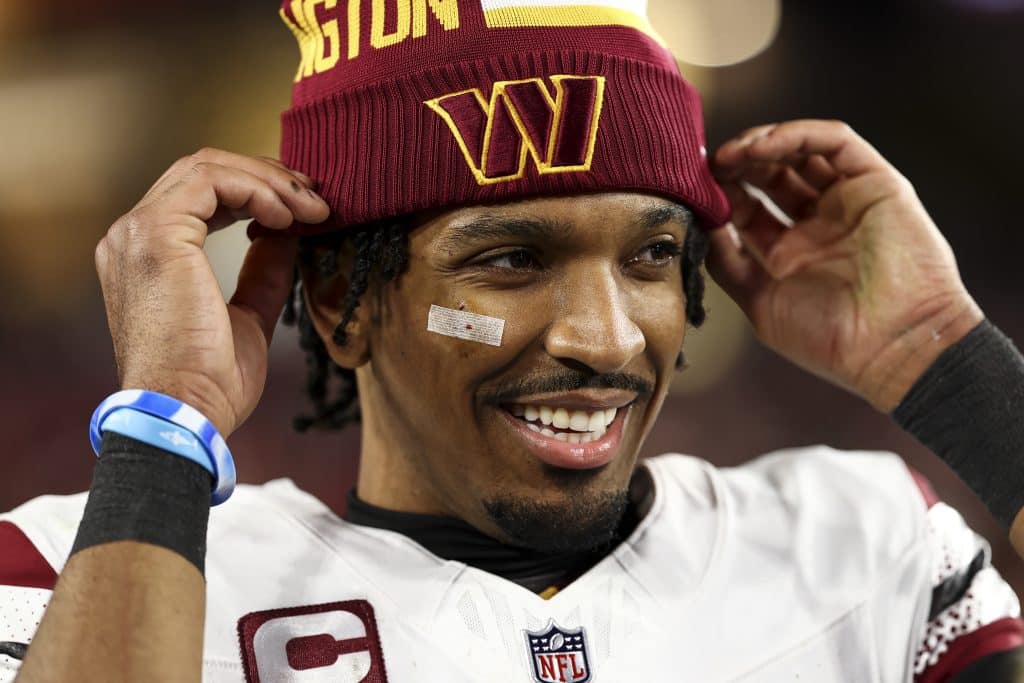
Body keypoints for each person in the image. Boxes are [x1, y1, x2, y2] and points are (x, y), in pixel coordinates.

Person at [3, 1, 1024, 681]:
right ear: (339, 304)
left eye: (652, 255)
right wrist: (165, 422)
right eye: (509, 260)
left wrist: (946, 360)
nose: (604, 335)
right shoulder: (78, 573)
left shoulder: (861, 539)